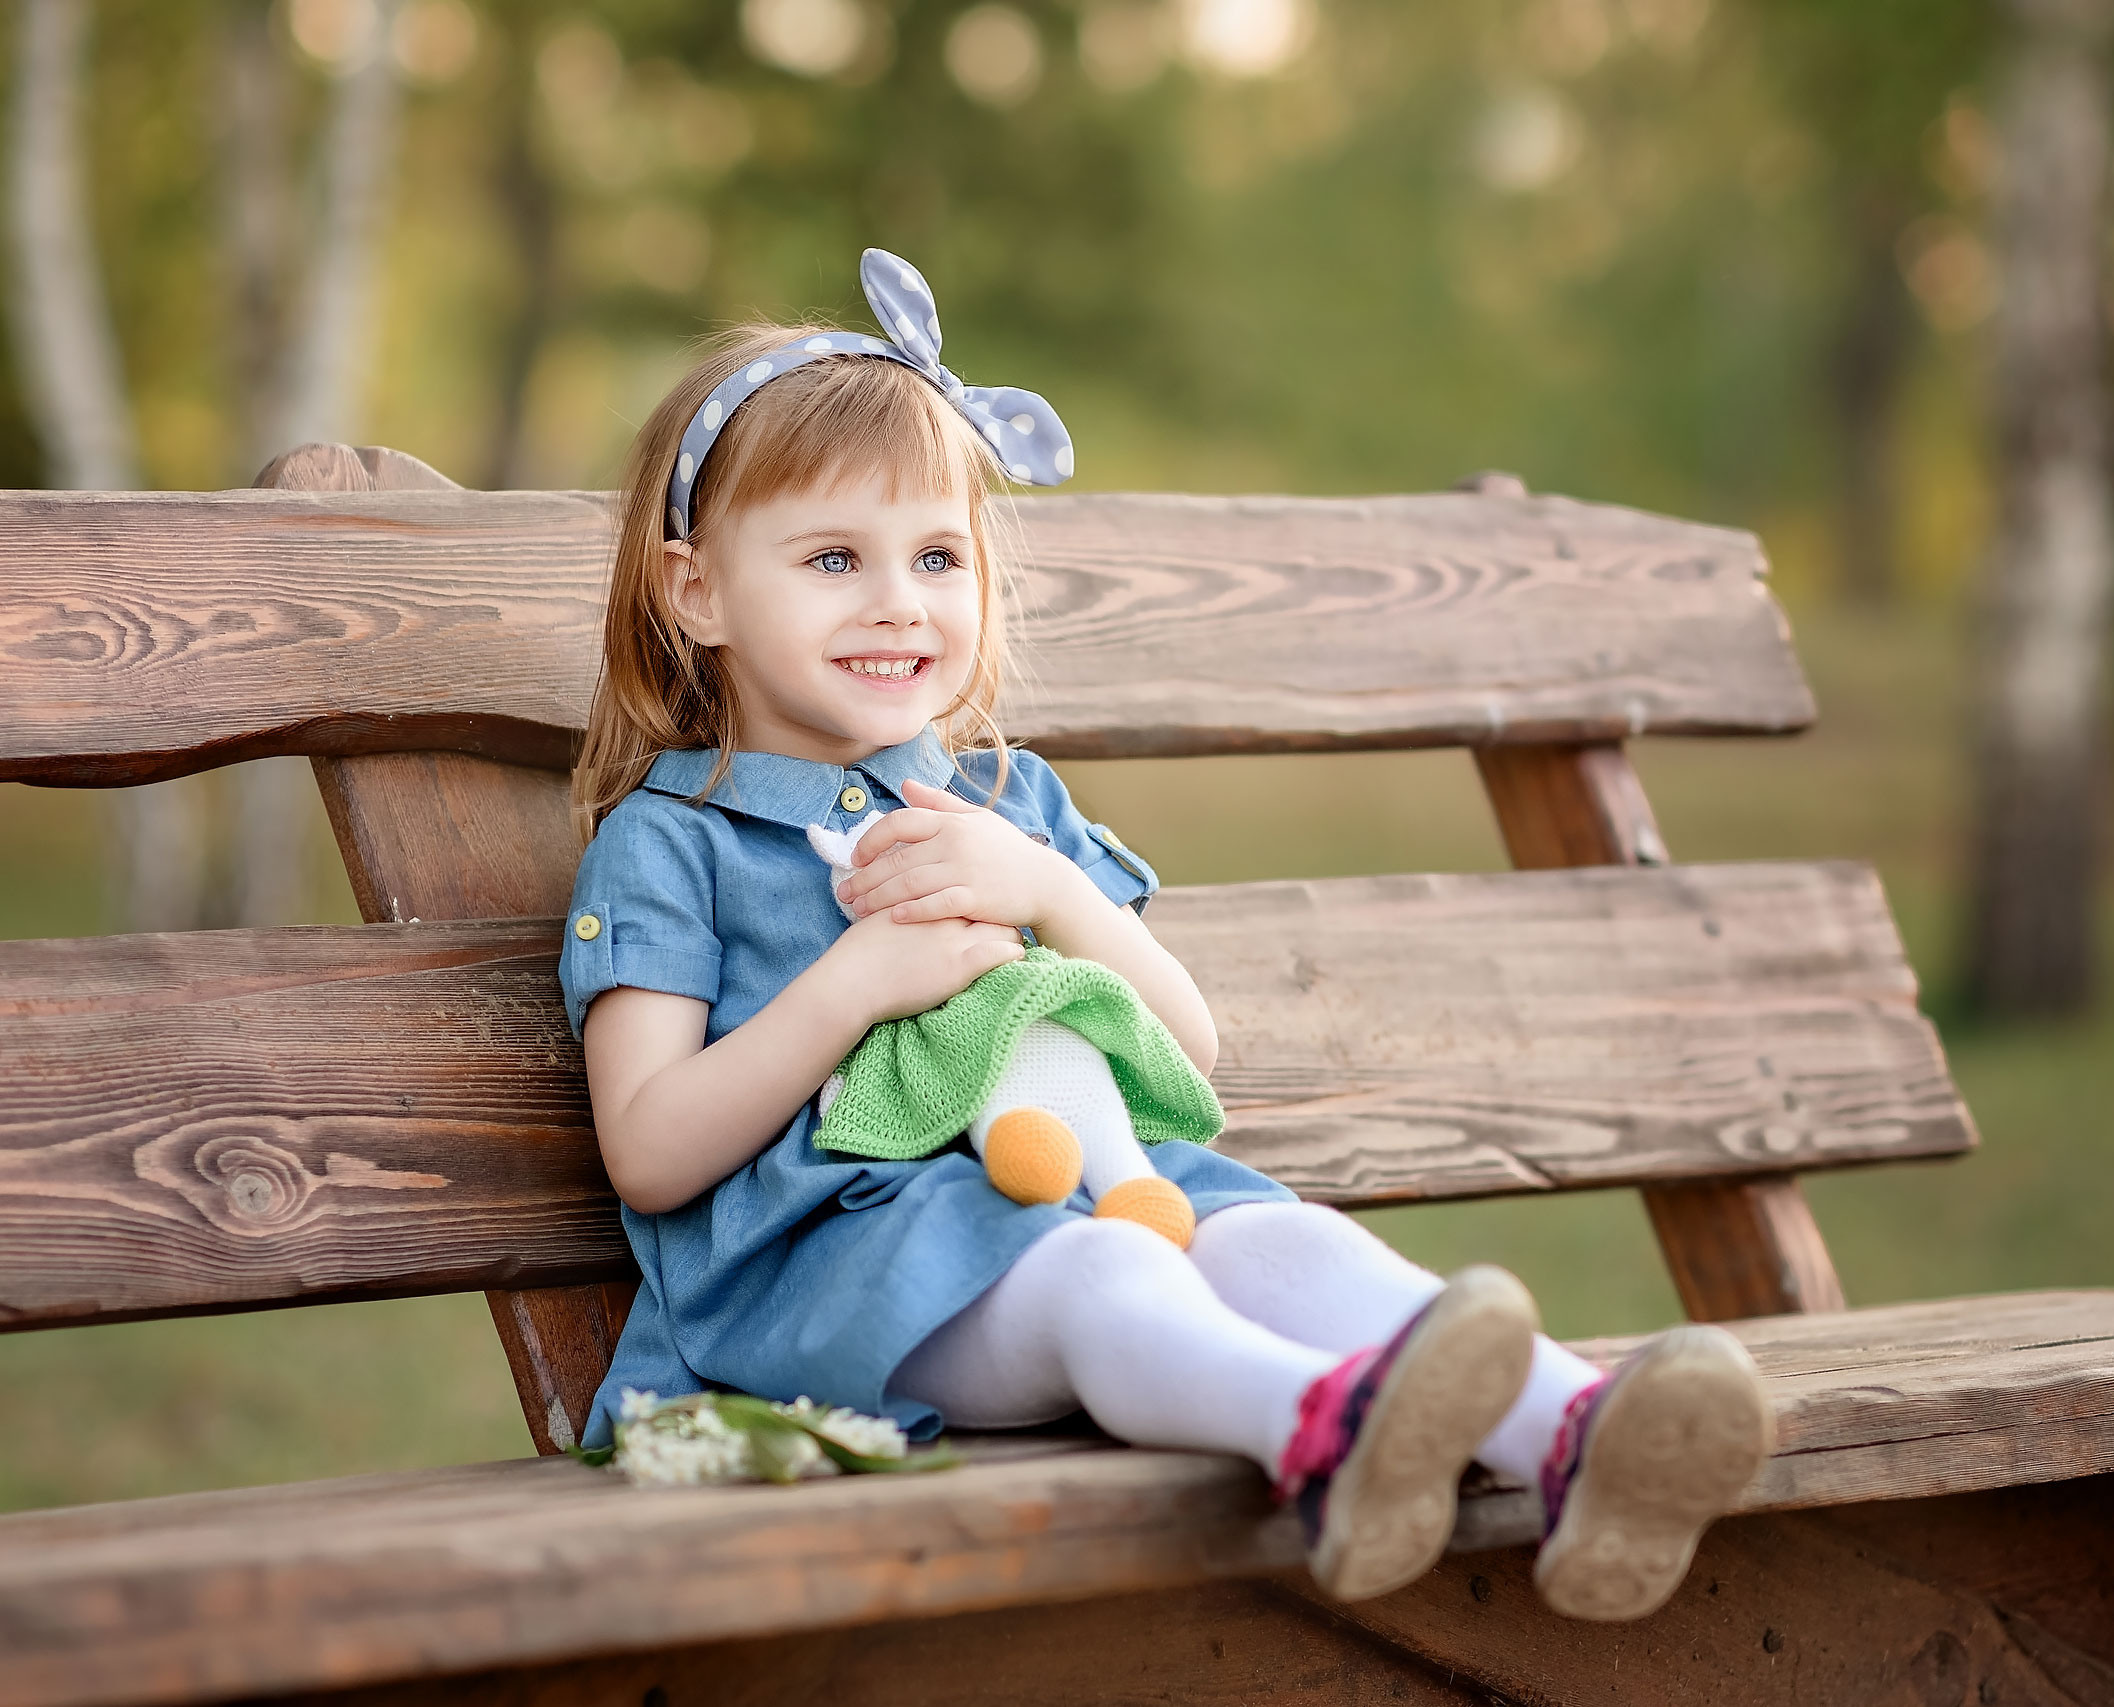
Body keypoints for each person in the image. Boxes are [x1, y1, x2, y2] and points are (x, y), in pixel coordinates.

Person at [561, 248, 1774, 1619]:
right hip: (837, 1285)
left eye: (939, 556)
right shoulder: (676, 841)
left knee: (1271, 1240)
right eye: (835, 557)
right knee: (1115, 1268)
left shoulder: (1010, 802)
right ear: (697, 592)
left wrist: (1050, 892)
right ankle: (1327, 1437)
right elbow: (650, 1152)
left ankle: (1585, 1438)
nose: (900, 601)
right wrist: (852, 986)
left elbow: (1185, 1053)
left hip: (1103, 1186)